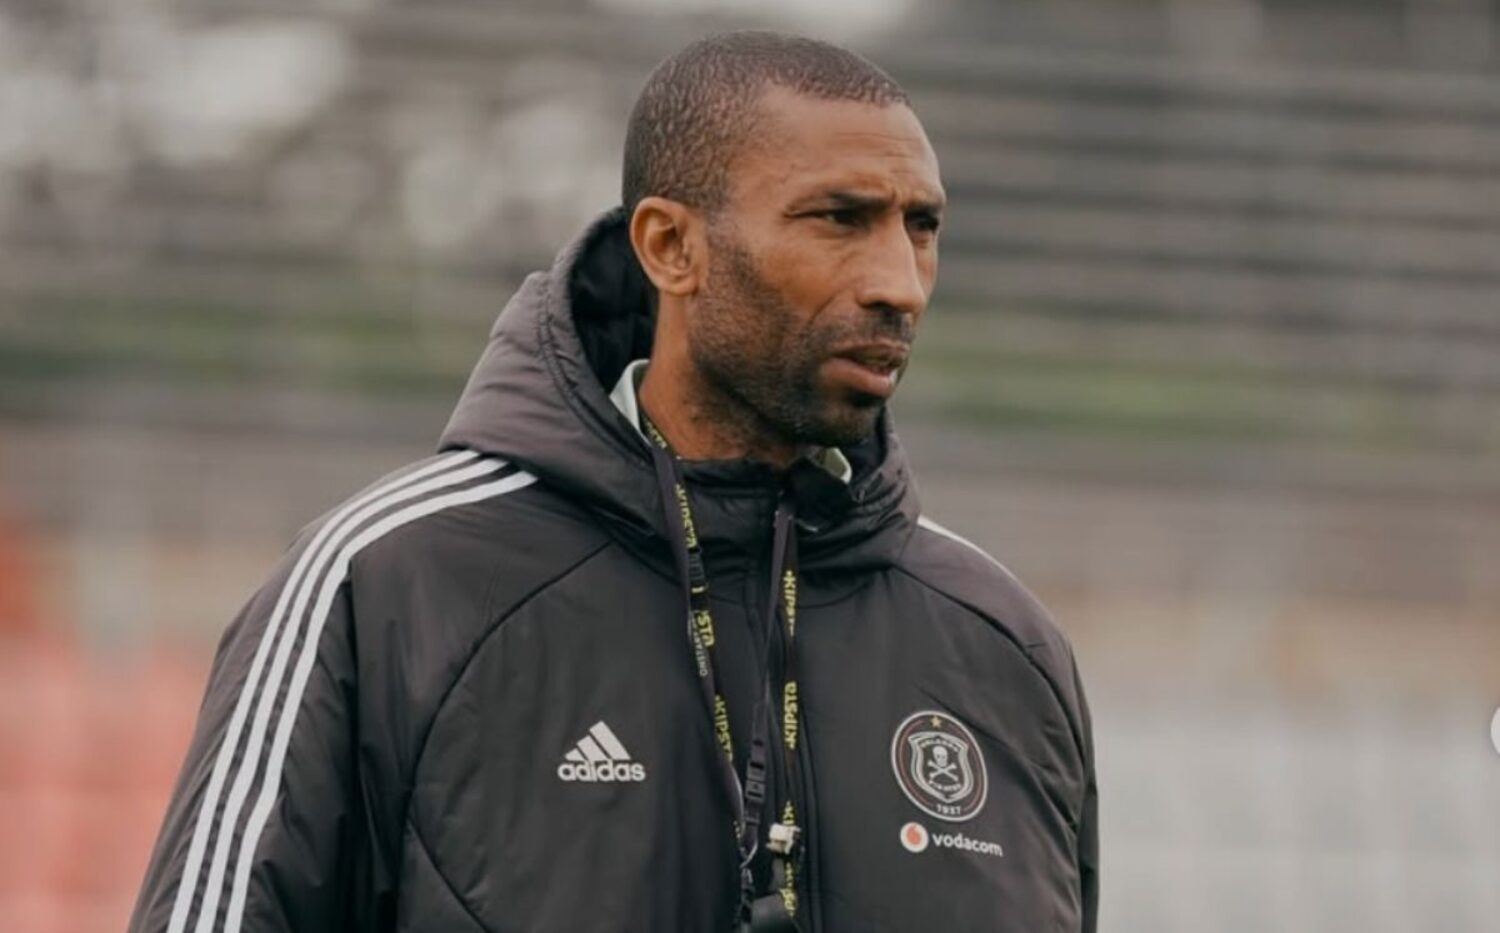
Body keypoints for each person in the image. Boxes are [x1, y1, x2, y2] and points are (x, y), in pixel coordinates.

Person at [131, 30, 1098, 933]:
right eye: (840, 220)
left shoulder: (1004, 647)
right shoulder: (387, 585)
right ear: (671, 248)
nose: (900, 281)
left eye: (920, 226)